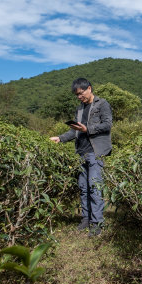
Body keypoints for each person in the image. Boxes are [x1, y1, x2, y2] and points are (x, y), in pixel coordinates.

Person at [50, 78, 112, 236]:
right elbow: (75, 131)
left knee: (95, 188)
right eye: (76, 95)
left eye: (81, 93)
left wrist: (87, 128)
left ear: (89, 88)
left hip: (95, 152)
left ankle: (97, 222)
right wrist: (60, 138)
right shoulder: (79, 110)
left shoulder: (101, 104)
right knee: (83, 188)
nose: (79, 97)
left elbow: (107, 125)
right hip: (81, 152)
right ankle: (86, 218)